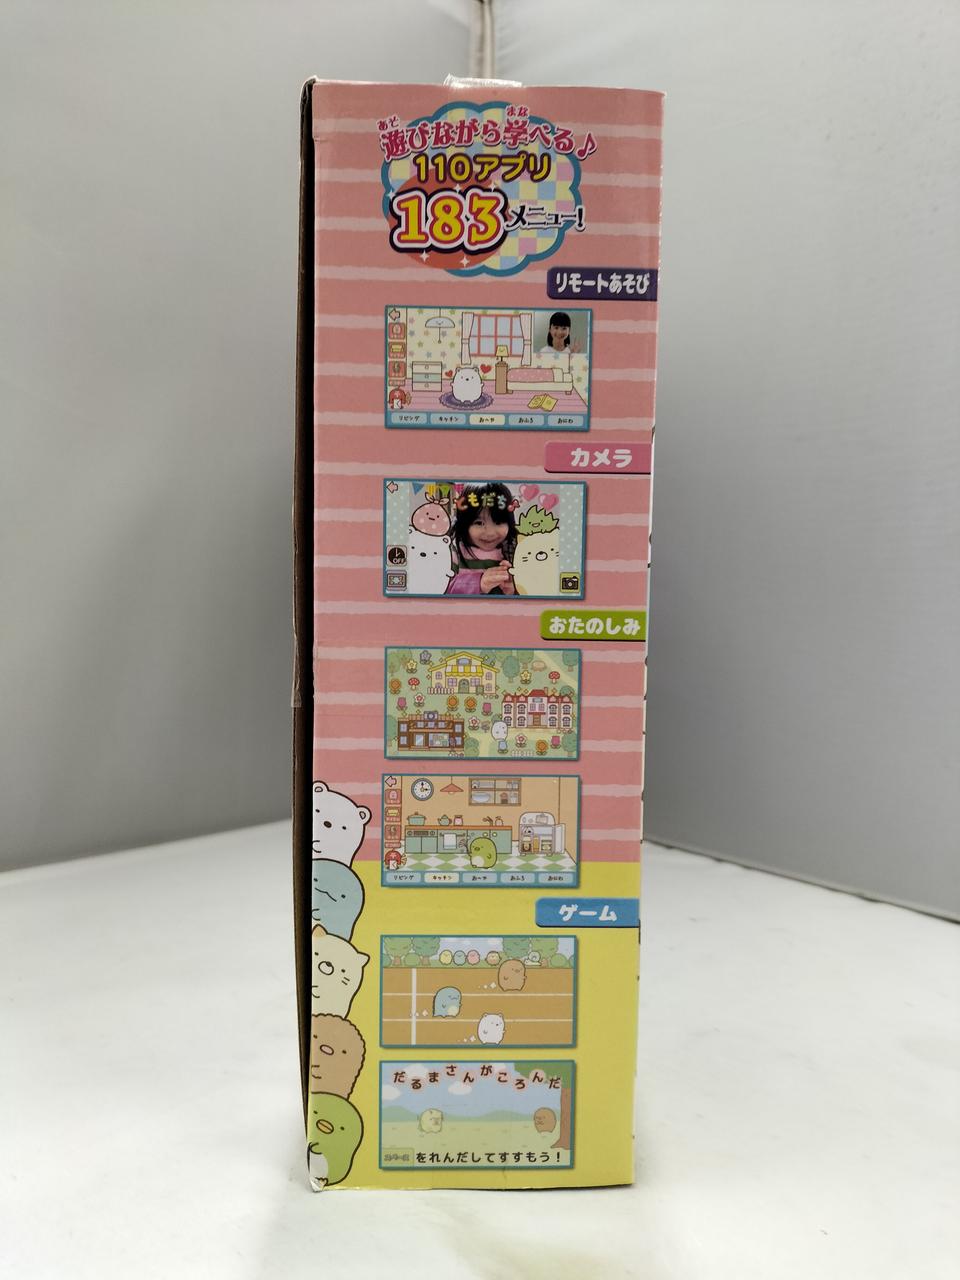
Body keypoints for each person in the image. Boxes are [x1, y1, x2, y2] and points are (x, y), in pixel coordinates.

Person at [445, 482, 517, 595]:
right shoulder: (454, 552)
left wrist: (513, 589)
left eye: (498, 522)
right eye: (479, 523)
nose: (490, 532)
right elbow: (442, 588)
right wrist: (479, 583)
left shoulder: (513, 551)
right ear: (464, 524)